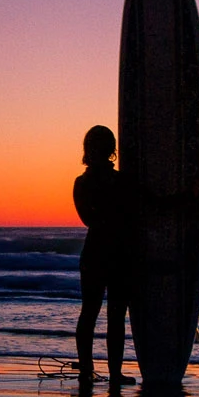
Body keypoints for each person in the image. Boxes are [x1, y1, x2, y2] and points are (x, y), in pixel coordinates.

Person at [73, 125, 133, 382]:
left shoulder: (83, 182)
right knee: (112, 316)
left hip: (96, 252)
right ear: (112, 150)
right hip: (116, 253)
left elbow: (89, 219)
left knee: (93, 312)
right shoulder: (119, 181)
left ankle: (90, 371)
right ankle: (110, 373)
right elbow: (151, 204)